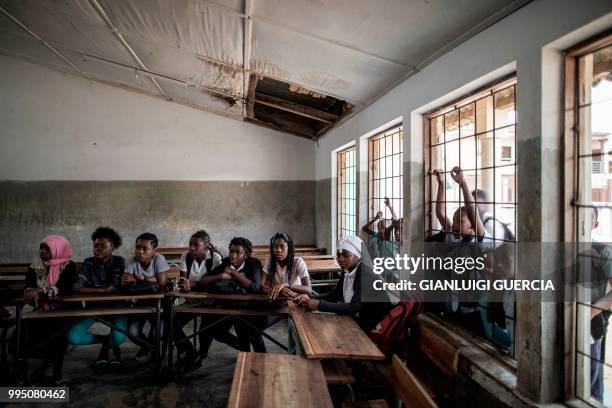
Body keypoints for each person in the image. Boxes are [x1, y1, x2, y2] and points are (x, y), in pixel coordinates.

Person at [295, 236, 391, 333]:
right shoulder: (347, 270)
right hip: (356, 319)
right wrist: (310, 296)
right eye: (338, 255)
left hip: (373, 326)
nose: (340, 259)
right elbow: (335, 295)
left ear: (358, 255)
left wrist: (319, 304)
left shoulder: (366, 274)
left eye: (346, 255)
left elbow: (353, 307)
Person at [172, 230, 237, 368]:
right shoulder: (186, 256)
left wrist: (194, 284)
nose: (191, 248)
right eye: (190, 244)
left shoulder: (215, 258)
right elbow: (184, 280)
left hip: (211, 302)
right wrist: (185, 285)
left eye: (196, 245)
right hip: (192, 300)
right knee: (172, 322)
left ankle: (202, 355)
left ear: (206, 246)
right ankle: (188, 351)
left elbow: (215, 284)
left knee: (205, 330)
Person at [18, 235, 77, 385]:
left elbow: (65, 288)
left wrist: (41, 290)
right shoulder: (35, 266)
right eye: (41, 248)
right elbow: (28, 287)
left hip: (61, 310)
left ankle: (57, 374)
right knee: (22, 331)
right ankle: (22, 375)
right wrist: (30, 293)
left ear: (58, 249)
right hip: (39, 309)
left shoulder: (68, 266)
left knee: (56, 332)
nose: (42, 251)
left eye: (47, 249)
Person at [68, 227, 127, 370]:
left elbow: (113, 287)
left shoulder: (119, 261)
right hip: (93, 307)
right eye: (96, 246)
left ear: (112, 247)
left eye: (103, 246)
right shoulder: (88, 262)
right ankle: (107, 342)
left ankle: (105, 352)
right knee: (73, 336)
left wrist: (92, 290)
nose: (98, 249)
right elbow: (77, 287)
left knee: (119, 338)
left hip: (117, 307)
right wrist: (101, 290)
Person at [209, 237, 264, 352]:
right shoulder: (225, 262)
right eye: (231, 251)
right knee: (217, 332)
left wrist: (234, 272)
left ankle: (261, 360)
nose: (233, 255)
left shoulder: (253, 264)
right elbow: (205, 279)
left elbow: (254, 288)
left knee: (253, 334)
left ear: (246, 255)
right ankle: (242, 348)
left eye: (238, 252)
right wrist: (220, 276)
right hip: (232, 306)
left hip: (251, 308)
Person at [122, 233, 168, 361]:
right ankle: (152, 349)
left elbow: (162, 284)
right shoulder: (132, 260)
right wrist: (150, 281)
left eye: (145, 248)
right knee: (133, 332)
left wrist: (136, 280)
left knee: (158, 333)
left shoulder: (159, 259)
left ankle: (150, 349)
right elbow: (125, 286)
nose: (139, 251)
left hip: (158, 305)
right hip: (139, 304)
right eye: (137, 247)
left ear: (154, 250)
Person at [585, 207, 612, 403]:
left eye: (590, 218)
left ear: (595, 224)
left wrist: (590, 313)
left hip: (591, 329)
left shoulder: (603, 251)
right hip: (562, 326)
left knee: (591, 389)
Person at [261, 232, 312, 330]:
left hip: (295, 303)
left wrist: (285, 285)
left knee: (300, 332)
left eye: (282, 246)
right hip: (277, 303)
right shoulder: (270, 261)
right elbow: (261, 285)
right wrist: (280, 290)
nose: (278, 250)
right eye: (275, 246)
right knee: (258, 325)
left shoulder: (298, 262)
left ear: (289, 248)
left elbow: (308, 289)